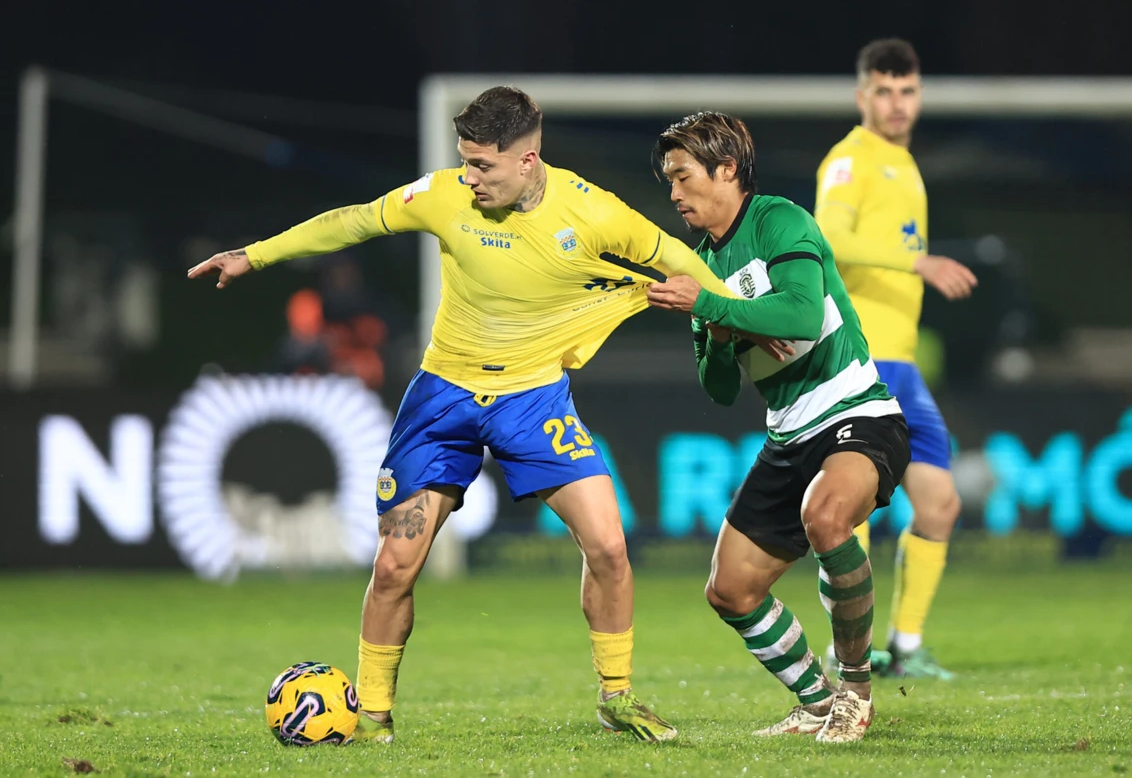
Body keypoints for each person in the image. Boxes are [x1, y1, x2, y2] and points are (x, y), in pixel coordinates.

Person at [188, 86, 785, 744]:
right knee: (394, 567)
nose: (469, 178)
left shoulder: (591, 212)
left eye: (483, 166)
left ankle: (617, 695)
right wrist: (256, 253)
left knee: (611, 546)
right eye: (465, 162)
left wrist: (741, 314)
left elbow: (678, 258)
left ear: (528, 159)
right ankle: (375, 717)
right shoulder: (443, 196)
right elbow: (355, 219)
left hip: (534, 401)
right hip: (442, 399)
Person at [646, 111, 910, 743]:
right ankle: (817, 701)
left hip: (856, 412)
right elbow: (720, 389)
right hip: (787, 435)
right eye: (669, 181)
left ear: (727, 170)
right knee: (729, 590)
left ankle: (855, 689)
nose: (674, 193)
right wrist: (710, 334)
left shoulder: (779, 219)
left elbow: (795, 314)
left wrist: (709, 305)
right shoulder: (702, 262)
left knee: (827, 517)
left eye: (683, 177)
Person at [814, 38, 977, 680]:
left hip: (902, 364)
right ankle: (844, 648)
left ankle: (905, 646)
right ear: (862, 96)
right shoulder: (851, 161)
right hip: (860, 357)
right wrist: (920, 262)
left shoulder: (905, 166)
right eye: (884, 90)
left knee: (938, 503)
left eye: (907, 91)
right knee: (850, 509)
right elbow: (828, 236)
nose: (897, 102)